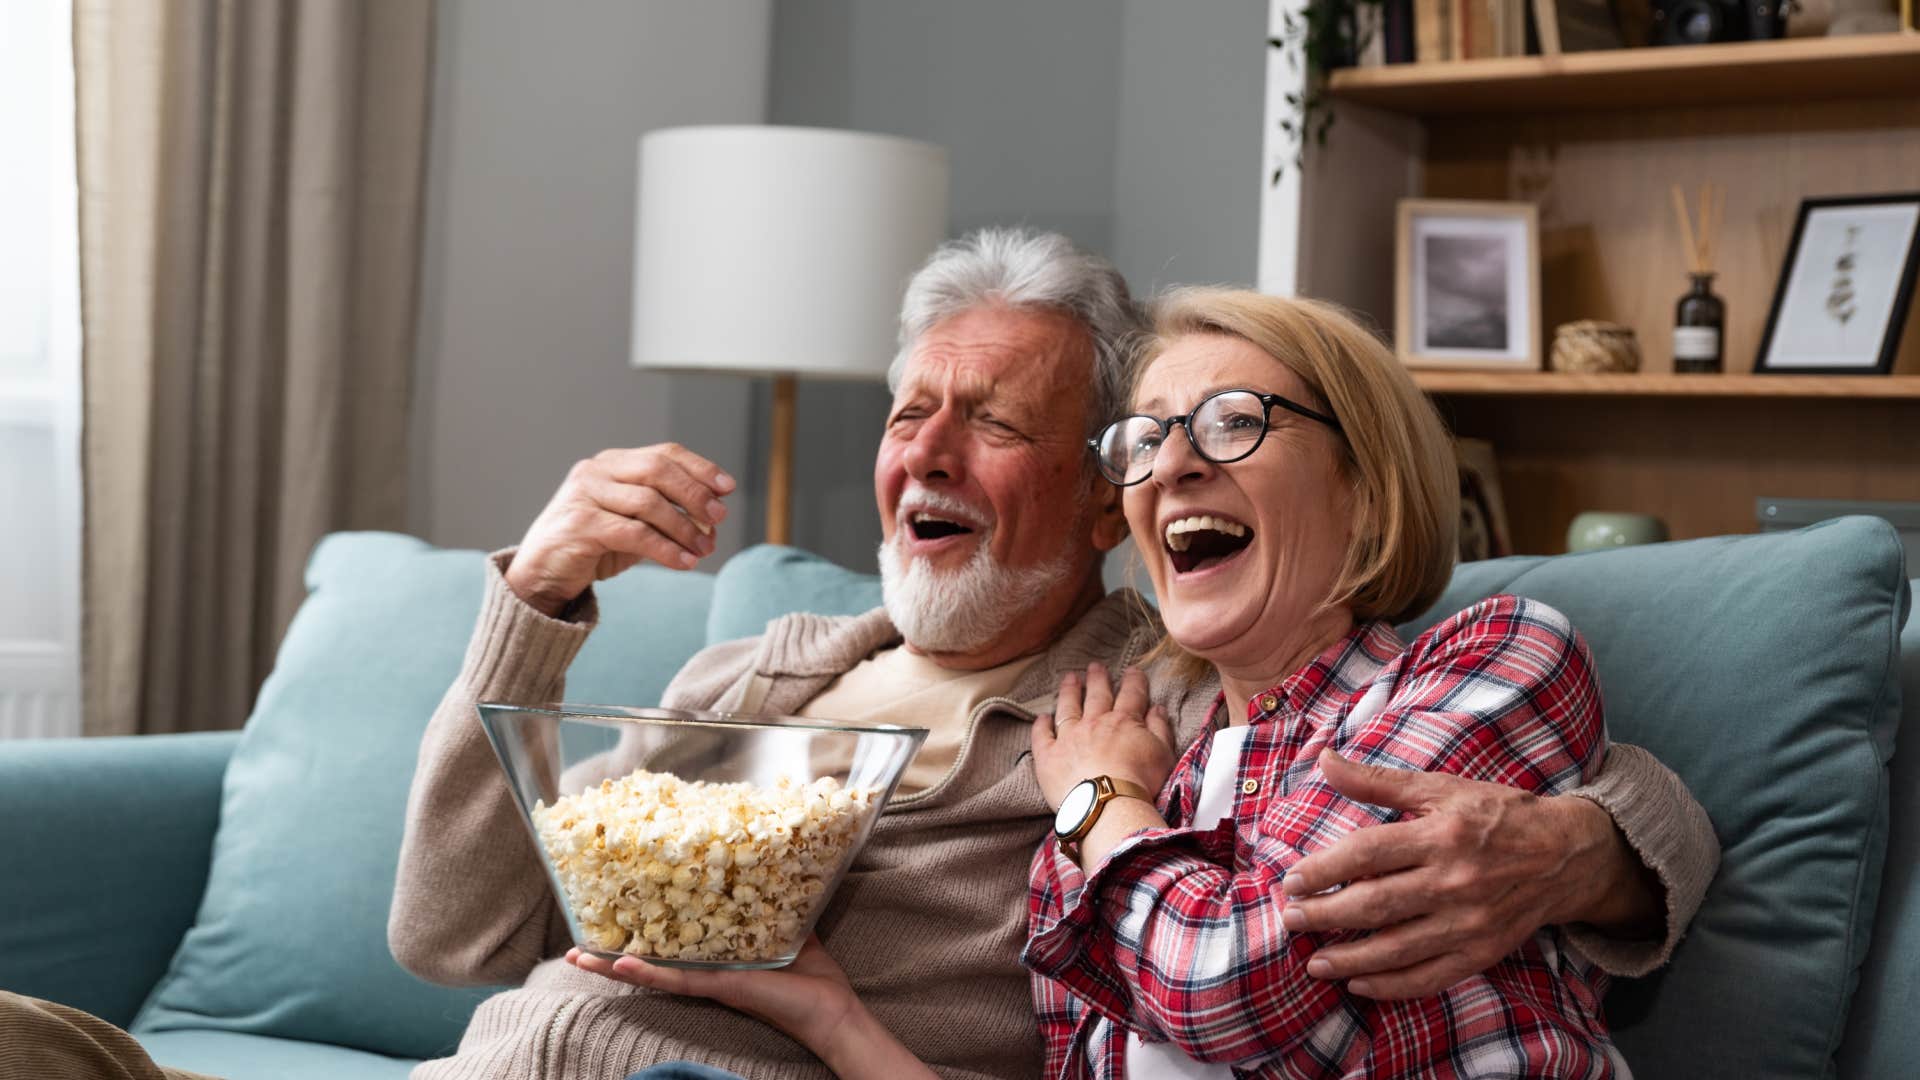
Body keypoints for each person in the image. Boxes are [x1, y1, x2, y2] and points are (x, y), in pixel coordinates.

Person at [0, 231, 1712, 1079]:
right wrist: (533, 597)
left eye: (997, 424)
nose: (927, 453)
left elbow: (1461, 733)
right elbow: (451, 932)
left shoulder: (1149, 698)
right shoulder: (763, 673)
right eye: (910, 414)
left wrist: (1592, 851)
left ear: (1103, 495)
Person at [1019, 288, 1630, 1077]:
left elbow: (1226, 988)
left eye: (1235, 420)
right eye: (1145, 439)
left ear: (1368, 494)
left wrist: (1097, 804)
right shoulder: (1123, 787)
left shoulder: (1497, 658)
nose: (1170, 465)